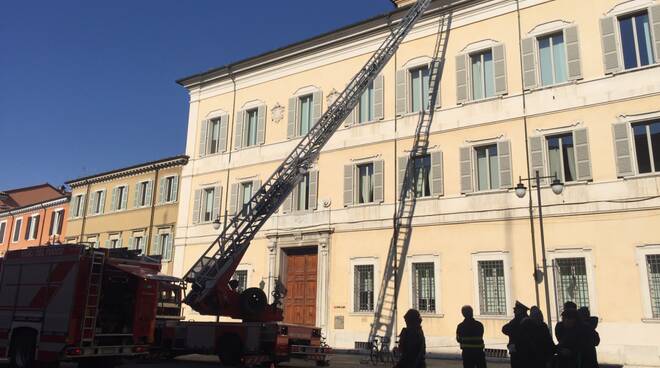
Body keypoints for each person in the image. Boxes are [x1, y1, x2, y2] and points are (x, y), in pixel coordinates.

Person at [502, 301, 529, 368]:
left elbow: (506, 329)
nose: (514, 312)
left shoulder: (522, 321)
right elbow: (504, 329)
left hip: (521, 351)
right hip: (517, 351)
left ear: (520, 311)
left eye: (515, 310)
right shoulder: (517, 321)